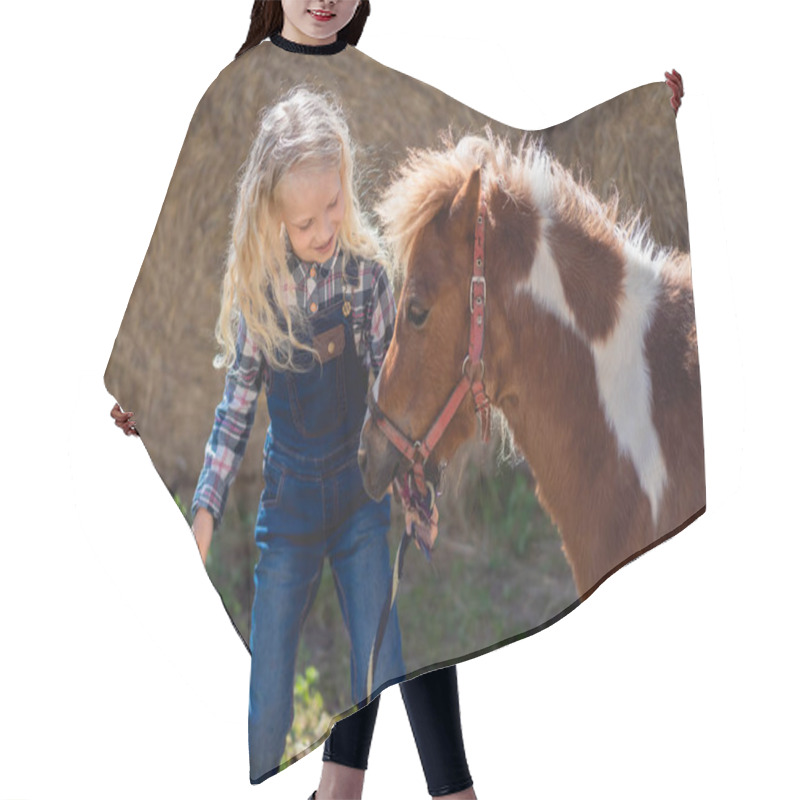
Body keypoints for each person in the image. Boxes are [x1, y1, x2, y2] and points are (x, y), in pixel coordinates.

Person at [114, 5, 477, 796]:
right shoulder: (239, 100)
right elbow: (229, 396)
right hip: (289, 497)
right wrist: (135, 381)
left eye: (333, 211)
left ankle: (422, 790)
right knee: (277, 681)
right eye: (303, 220)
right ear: (274, 214)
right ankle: (335, 788)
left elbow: (395, 395)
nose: (321, 230)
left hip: (361, 485)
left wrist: (642, 118)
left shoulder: (365, 274)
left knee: (389, 627)